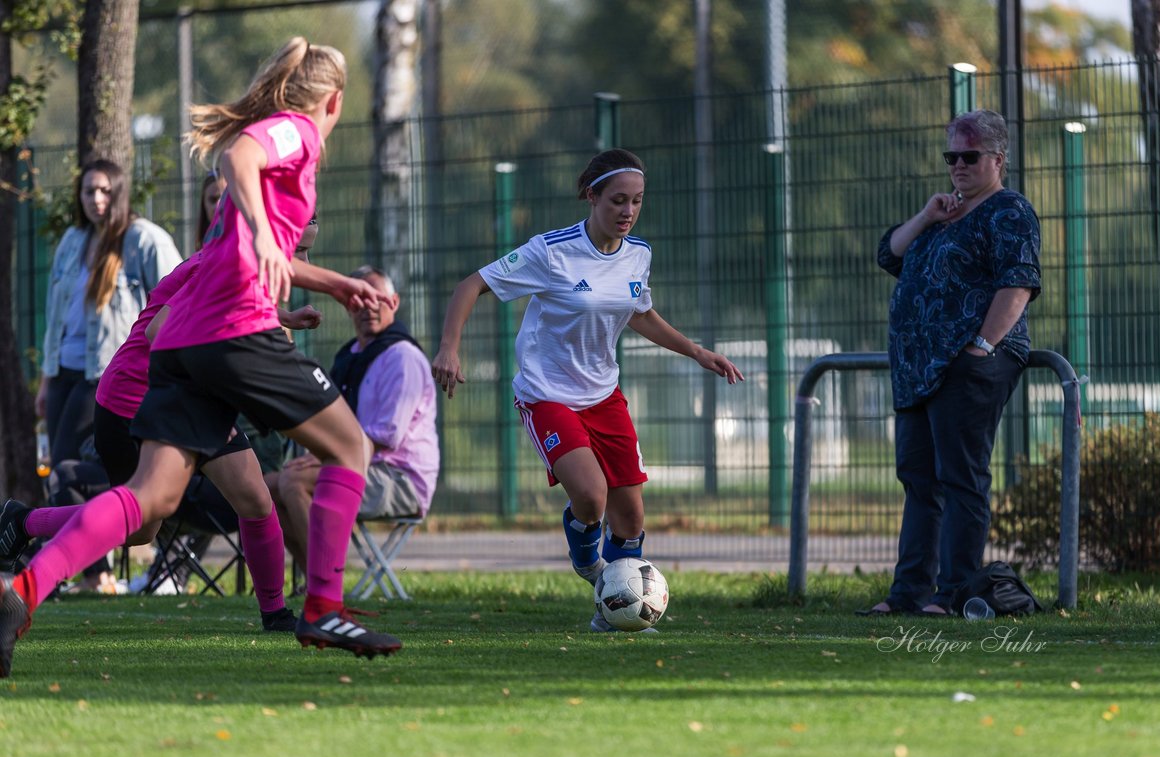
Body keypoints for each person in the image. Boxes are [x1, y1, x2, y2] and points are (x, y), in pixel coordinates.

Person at [0, 37, 397, 677]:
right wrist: (269, 237)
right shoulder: (298, 131)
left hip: (186, 344)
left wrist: (335, 283)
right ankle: (322, 606)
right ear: (334, 100)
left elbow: (247, 239)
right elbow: (239, 153)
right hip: (229, 334)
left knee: (150, 501)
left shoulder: (243, 203)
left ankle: (21, 591)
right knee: (349, 447)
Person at [431, 148, 744, 632]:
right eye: (618, 200)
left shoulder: (638, 255)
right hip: (546, 393)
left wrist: (697, 351)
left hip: (604, 395)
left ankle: (613, 612)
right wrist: (449, 348)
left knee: (632, 518)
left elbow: (640, 313)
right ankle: (590, 568)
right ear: (592, 196)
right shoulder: (551, 251)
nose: (628, 211)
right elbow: (469, 285)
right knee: (592, 495)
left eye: (637, 202)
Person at [0, 218, 324, 624]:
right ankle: (23, 527)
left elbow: (229, 314)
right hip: (134, 399)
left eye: (308, 253)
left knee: (255, 499)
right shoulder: (221, 265)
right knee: (140, 528)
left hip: (191, 398)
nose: (303, 264)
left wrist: (282, 317)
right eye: (297, 253)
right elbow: (160, 329)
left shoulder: (246, 269)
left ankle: (276, 615)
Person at [860, 109, 1040, 617]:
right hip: (918, 368)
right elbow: (889, 254)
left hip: (969, 364)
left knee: (961, 478)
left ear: (998, 159)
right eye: (951, 156)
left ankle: (955, 591)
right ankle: (909, 594)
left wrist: (982, 346)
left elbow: (1019, 283)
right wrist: (927, 216)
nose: (958, 165)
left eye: (970, 156)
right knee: (919, 479)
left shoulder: (1009, 211)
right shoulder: (946, 213)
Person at [38, 159, 183, 592]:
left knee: (67, 466)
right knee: (61, 470)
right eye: (88, 192)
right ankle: (94, 572)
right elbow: (53, 314)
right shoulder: (72, 240)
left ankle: (90, 570)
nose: (96, 199)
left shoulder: (144, 239)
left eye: (104, 190)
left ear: (119, 192)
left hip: (106, 374)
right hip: (65, 369)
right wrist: (46, 380)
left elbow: (179, 295)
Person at [269, 266, 438, 570]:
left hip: (399, 477)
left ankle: (326, 583)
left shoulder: (403, 357)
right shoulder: (351, 356)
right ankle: (311, 579)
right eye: (360, 299)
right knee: (268, 487)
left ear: (395, 302)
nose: (369, 307)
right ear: (348, 304)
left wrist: (324, 456)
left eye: (378, 299)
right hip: (357, 463)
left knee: (294, 482)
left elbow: (388, 435)